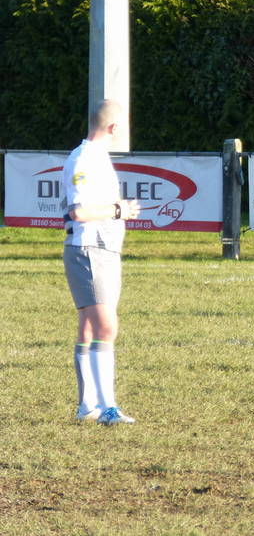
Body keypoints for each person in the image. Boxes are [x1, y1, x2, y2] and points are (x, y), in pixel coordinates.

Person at [62, 99, 142, 425]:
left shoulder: (97, 157)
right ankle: (107, 408)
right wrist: (119, 210)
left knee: (90, 326)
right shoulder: (84, 158)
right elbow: (78, 212)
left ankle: (87, 406)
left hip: (102, 248)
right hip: (89, 248)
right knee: (106, 326)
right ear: (113, 127)